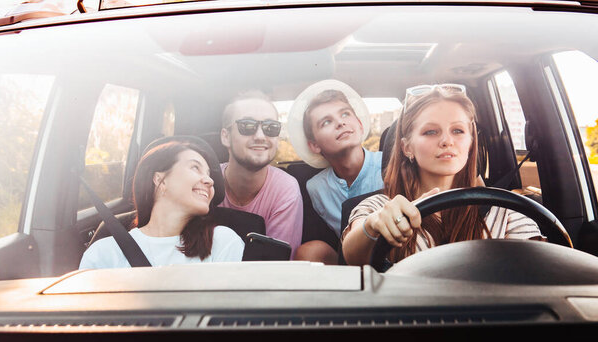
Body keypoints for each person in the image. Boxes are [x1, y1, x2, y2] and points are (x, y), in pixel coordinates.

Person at [342, 84, 542, 266]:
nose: (447, 140)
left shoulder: (505, 211)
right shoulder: (379, 207)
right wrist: (373, 225)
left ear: (471, 143)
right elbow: (353, 257)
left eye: (458, 130)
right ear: (407, 147)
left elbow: (542, 269)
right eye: (431, 132)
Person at [79, 139, 244, 269]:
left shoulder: (223, 242)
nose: (209, 180)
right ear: (160, 180)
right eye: (195, 167)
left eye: (209, 174)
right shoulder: (103, 253)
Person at [287, 80, 383, 264]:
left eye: (345, 114)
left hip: (399, 256)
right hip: (351, 260)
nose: (340, 123)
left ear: (360, 125)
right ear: (314, 145)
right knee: (310, 252)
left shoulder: (389, 165)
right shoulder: (315, 188)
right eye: (326, 122)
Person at [219, 91, 303, 259]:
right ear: (226, 137)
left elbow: (273, 266)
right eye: (247, 126)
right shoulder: (204, 181)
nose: (260, 136)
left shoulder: (285, 189)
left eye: (270, 128)